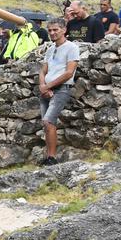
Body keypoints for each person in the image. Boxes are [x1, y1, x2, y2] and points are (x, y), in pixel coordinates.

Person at [38, 20, 80, 166]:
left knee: (48, 121)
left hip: (61, 89)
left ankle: (52, 157)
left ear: (64, 30)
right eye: (49, 30)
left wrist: (47, 86)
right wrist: (43, 85)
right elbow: (43, 70)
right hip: (47, 89)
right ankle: (49, 156)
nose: (52, 33)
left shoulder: (72, 47)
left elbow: (69, 72)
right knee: (47, 124)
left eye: (55, 30)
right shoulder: (50, 49)